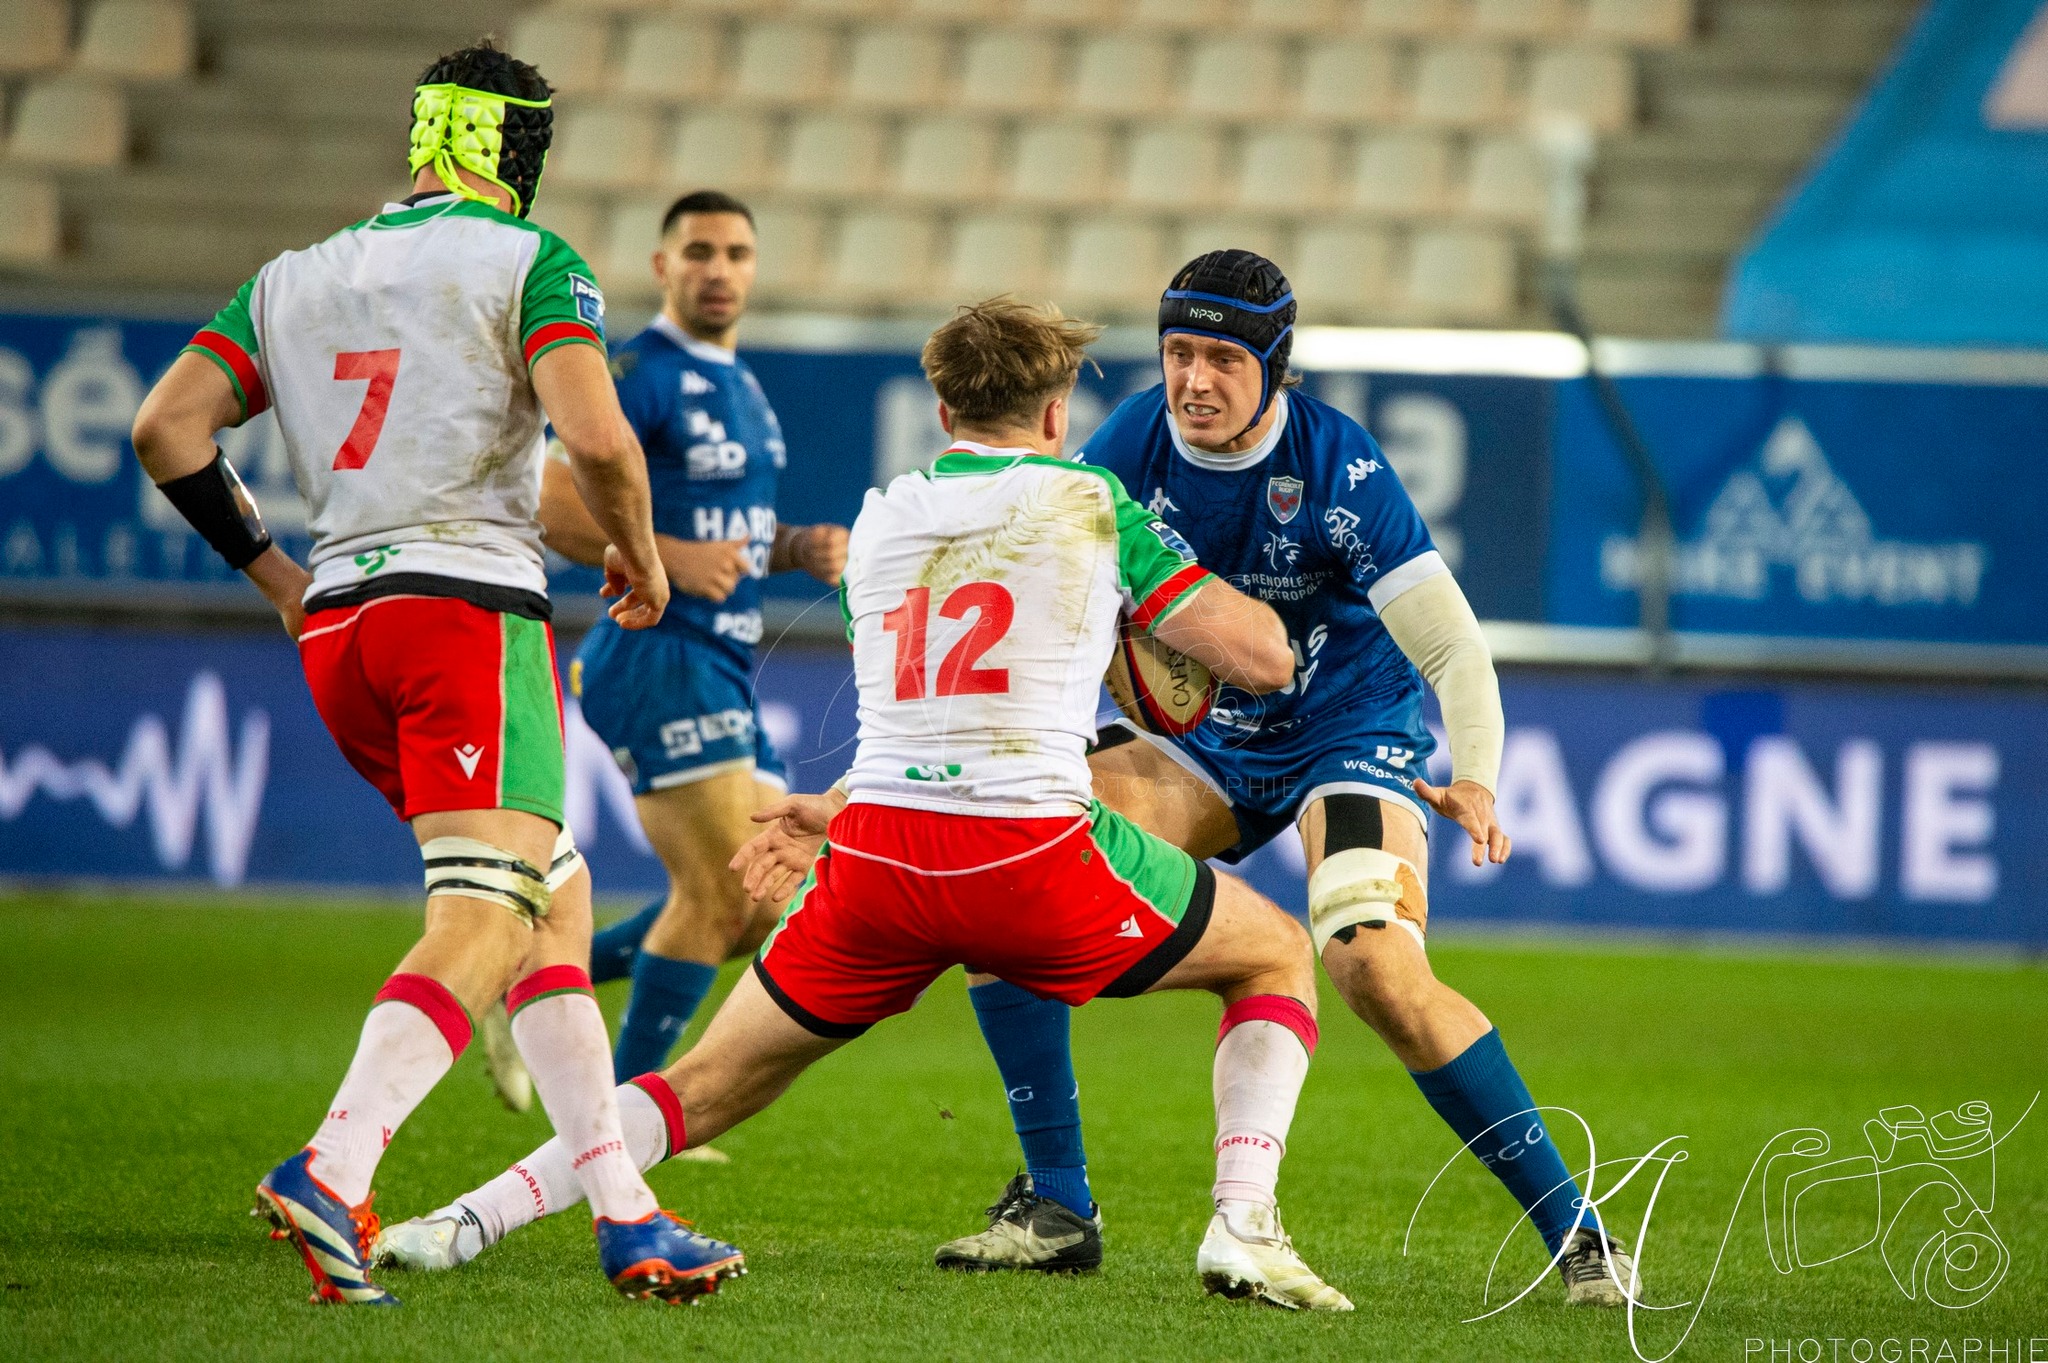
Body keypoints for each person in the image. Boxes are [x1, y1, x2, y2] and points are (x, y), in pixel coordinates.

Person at [375, 298, 1352, 1312]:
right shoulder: (1092, 500)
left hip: (877, 856)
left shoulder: (881, 518)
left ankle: (463, 1220)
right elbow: (1261, 658)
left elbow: (924, 711)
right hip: (1031, 856)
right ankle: (1243, 1222)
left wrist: (835, 804)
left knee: (702, 1084)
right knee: (1275, 953)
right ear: (1058, 413)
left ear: (943, 412)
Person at [128, 41, 739, 1306]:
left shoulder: (290, 276)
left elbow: (165, 427)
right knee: (486, 914)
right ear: (522, 149)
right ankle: (333, 1165)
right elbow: (596, 436)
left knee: (552, 898)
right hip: (464, 614)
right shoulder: (531, 261)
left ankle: (626, 1214)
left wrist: (275, 576)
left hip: (340, 626)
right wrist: (641, 557)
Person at [933, 252, 1638, 1307]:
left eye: (1223, 357)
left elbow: (1452, 649)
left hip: (1345, 731)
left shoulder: (1339, 466)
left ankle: (1579, 1236)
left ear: (1275, 365)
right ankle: (1057, 1205)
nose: (1194, 380)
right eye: (1178, 352)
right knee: (1014, 873)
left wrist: (1478, 777)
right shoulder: (1126, 445)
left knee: (1373, 964)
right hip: (1205, 739)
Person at [534, 189, 847, 1085]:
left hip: (722, 661)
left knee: (757, 902)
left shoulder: (741, 384)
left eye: (736, 253)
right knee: (717, 895)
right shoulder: (637, 373)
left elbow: (730, 535)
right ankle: (627, 1115)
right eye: (700, 251)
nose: (719, 270)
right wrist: (666, 557)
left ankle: (525, 972)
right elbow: (548, 499)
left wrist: (795, 546)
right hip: (657, 652)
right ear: (663, 266)